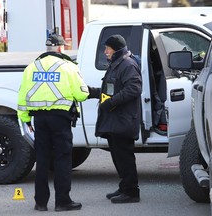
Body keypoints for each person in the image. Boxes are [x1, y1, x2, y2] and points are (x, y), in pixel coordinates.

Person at [17, 34, 89, 211]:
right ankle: (62, 201)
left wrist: (26, 119)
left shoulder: (31, 67)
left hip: (39, 119)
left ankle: (40, 203)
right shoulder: (68, 67)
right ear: (60, 47)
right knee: (62, 158)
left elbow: (22, 97)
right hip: (60, 119)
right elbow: (82, 94)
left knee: (42, 159)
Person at [88, 34, 142, 203]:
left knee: (124, 156)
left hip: (123, 120)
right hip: (116, 120)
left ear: (116, 49)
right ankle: (124, 186)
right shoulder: (117, 64)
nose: (105, 52)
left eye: (108, 48)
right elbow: (112, 90)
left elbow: (134, 88)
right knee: (118, 156)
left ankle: (131, 192)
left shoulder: (128, 64)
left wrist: (111, 103)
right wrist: (92, 92)